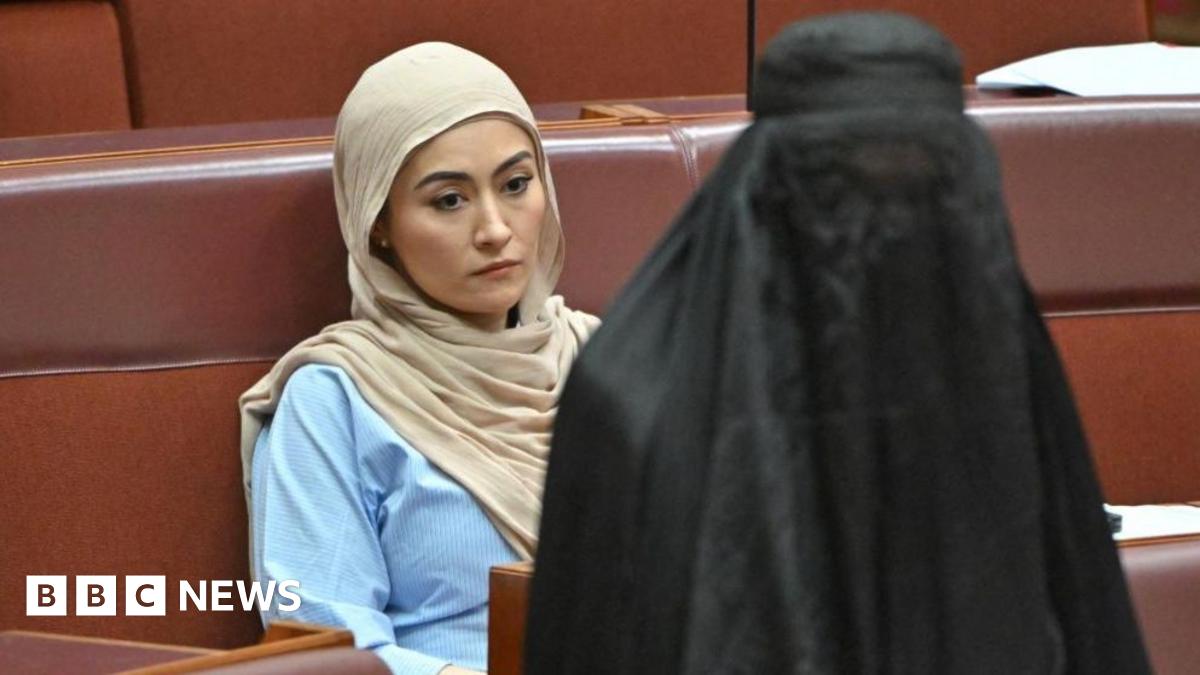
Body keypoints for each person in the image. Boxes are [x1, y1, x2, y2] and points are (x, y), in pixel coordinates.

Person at [525, 13, 1151, 675]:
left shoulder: (999, 370)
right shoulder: (627, 405)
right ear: (758, 184)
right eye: (839, 190)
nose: (875, 240)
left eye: (917, 193)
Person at [238, 43, 598, 675]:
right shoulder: (334, 401)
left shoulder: (603, 360)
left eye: (516, 185)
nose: (494, 228)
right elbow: (326, 651)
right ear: (379, 221)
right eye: (448, 201)